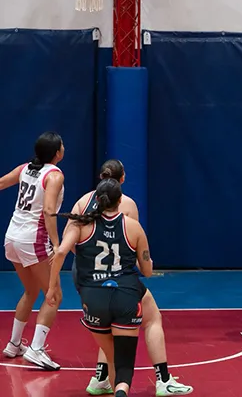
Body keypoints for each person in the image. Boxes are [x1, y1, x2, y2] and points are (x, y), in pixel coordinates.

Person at [67, 160, 193, 395]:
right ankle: (163, 379)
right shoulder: (127, 205)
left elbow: (70, 240)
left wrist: (89, 261)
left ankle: (101, 377)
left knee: (106, 324)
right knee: (152, 317)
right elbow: (132, 246)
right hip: (118, 277)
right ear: (122, 179)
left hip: (86, 275)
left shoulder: (83, 200)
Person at [46, 178, 153, 397]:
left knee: (112, 356)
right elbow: (147, 271)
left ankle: (115, 387)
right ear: (120, 200)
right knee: (124, 364)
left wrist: (52, 287)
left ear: (96, 199)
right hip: (125, 296)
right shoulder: (133, 226)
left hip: (93, 298)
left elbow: (59, 253)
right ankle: (121, 390)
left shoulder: (81, 224)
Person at [0, 131, 66, 371]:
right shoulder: (54, 174)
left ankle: (14, 344)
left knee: (30, 290)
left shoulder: (25, 168)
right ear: (57, 152)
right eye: (62, 145)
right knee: (54, 294)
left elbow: (0, 183)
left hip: (12, 236)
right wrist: (57, 243)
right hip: (33, 239)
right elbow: (49, 210)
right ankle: (36, 349)